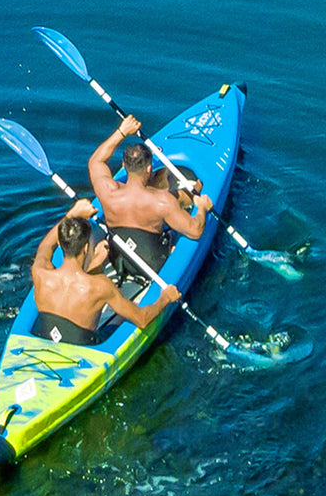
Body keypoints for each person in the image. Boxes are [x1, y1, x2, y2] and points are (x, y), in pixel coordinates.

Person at [31, 199, 181, 345]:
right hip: (84, 349)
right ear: (85, 249)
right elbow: (142, 319)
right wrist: (166, 298)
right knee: (121, 316)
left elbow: (46, 245)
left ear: (61, 243)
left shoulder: (40, 272)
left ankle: (96, 265)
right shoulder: (100, 286)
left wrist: (72, 214)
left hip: (46, 337)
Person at [88, 115, 213, 279]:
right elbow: (195, 231)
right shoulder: (162, 201)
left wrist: (122, 131)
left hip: (119, 257)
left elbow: (96, 161)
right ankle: (191, 192)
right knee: (179, 206)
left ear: (124, 165)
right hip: (152, 265)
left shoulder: (107, 190)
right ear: (149, 168)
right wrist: (202, 208)